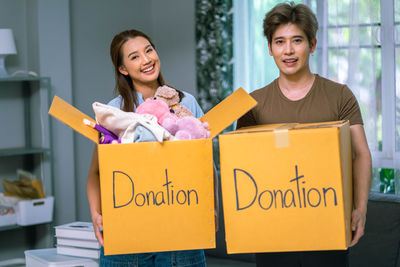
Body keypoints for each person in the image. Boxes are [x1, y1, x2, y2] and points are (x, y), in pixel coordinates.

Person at [236, 2, 372, 267]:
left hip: (327, 229)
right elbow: (241, 167)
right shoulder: (252, 103)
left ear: (312, 44)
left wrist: (361, 209)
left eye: (297, 40)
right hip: (272, 233)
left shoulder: (339, 95)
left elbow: (360, 154)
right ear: (269, 48)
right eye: (279, 42)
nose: (288, 50)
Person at [87, 29, 213, 267]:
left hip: (181, 232)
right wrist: (96, 214)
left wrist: (212, 210)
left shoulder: (187, 103)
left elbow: (205, 163)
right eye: (134, 57)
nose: (146, 60)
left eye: (148, 50)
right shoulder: (114, 112)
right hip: (128, 234)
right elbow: (96, 172)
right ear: (123, 68)